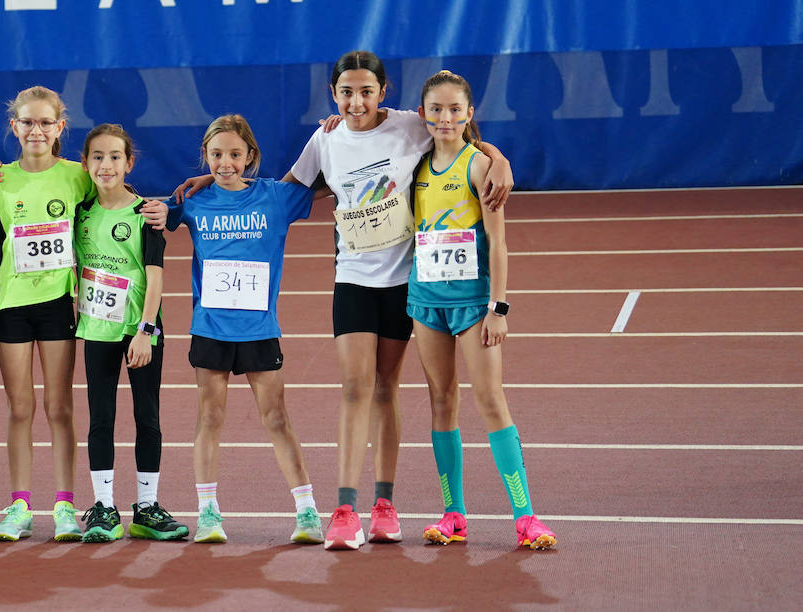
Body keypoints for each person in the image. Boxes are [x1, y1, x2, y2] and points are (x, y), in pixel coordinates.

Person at [283, 52, 512, 551]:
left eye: (366, 91)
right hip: (353, 280)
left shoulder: (411, 126)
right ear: (333, 94)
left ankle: (384, 506)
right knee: (354, 386)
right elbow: (289, 192)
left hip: (406, 282)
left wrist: (499, 159)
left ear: (383, 92)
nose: (356, 101)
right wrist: (217, 187)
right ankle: (344, 509)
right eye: (346, 92)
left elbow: (461, 134)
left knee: (386, 388)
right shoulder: (325, 138)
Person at [407, 70, 557, 551]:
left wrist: (499, 307)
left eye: (455, 109)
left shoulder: (479, 167)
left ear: (470, 115)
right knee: (441, 402)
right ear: (423, 114)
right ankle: (453, 514)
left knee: (490, 400)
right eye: (436, 109)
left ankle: (525, 516)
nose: (445, 118)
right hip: (426, 302)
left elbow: (498, 242)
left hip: (473, 305)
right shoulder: (413, 163)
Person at [165, 115, 324, 546]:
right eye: (216, 155)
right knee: (209, 418)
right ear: (205, 156)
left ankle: (307, 511)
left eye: (235, 154)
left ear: (250, 156)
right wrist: (193, 186)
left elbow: (326, 176)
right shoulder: (192, 201)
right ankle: (207, 513)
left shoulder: (275, 197)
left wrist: (334, 130)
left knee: (276, 417)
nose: (225, 163)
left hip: (259, 328)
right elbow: (155, 216)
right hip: (211, 328)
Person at [0, 86, 92, 542]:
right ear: (14, 126)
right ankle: (20, 504)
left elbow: (119, 199)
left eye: (46, 122)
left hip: (59, 304)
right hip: (12, 305)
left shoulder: (78, 176)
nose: (36, 130)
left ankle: (65, 504)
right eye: (27, 122)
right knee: (20, 407)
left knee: (59, 406)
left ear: (60, 127)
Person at [74, 125, 187, 543]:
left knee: (147, 417)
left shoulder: (146, 215)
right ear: (86, 164)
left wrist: (145, 329)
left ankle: (146, 507)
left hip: (140, 330)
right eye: (98, 157)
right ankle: (104, 507)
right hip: (97, 329)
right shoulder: (79, 211)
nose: (106, 165)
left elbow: (155, 278)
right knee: (100, 418)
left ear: (129, 163)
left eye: (115, 157)